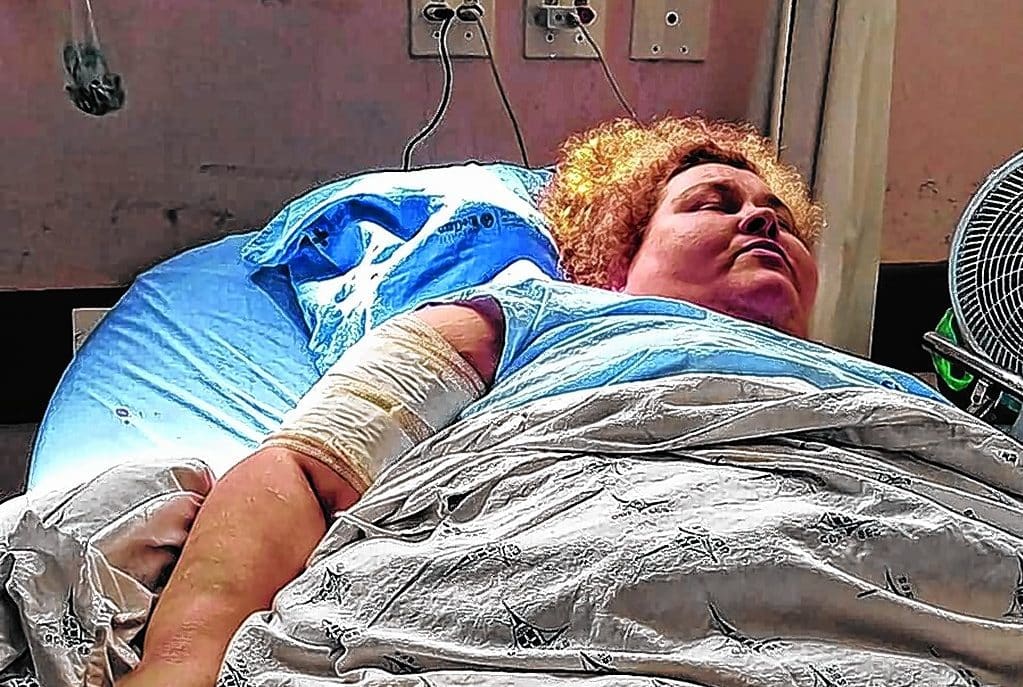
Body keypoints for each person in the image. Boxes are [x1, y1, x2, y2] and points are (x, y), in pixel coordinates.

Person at [114, 116, 931, 686]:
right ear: (618, 261)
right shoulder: (534, 315)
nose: (760, 219)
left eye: (778, 217)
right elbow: (301, 469)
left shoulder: (888, 390)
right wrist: (181, 662)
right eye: (713, 204)